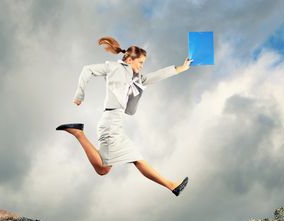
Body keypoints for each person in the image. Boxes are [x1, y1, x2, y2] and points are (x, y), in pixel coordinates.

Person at [56, 36, 192, 196]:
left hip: (114, 123)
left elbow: (153, 77)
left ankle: (78, 133)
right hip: (111, 123)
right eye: (140, 62)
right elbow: (87, 69)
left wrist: (181, 68)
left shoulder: (134, 79)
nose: (142, 66)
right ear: (129, 59)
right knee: (135, 159)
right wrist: (79, 95)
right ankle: (172, 186)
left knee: (103, 169)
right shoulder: (114, 67)